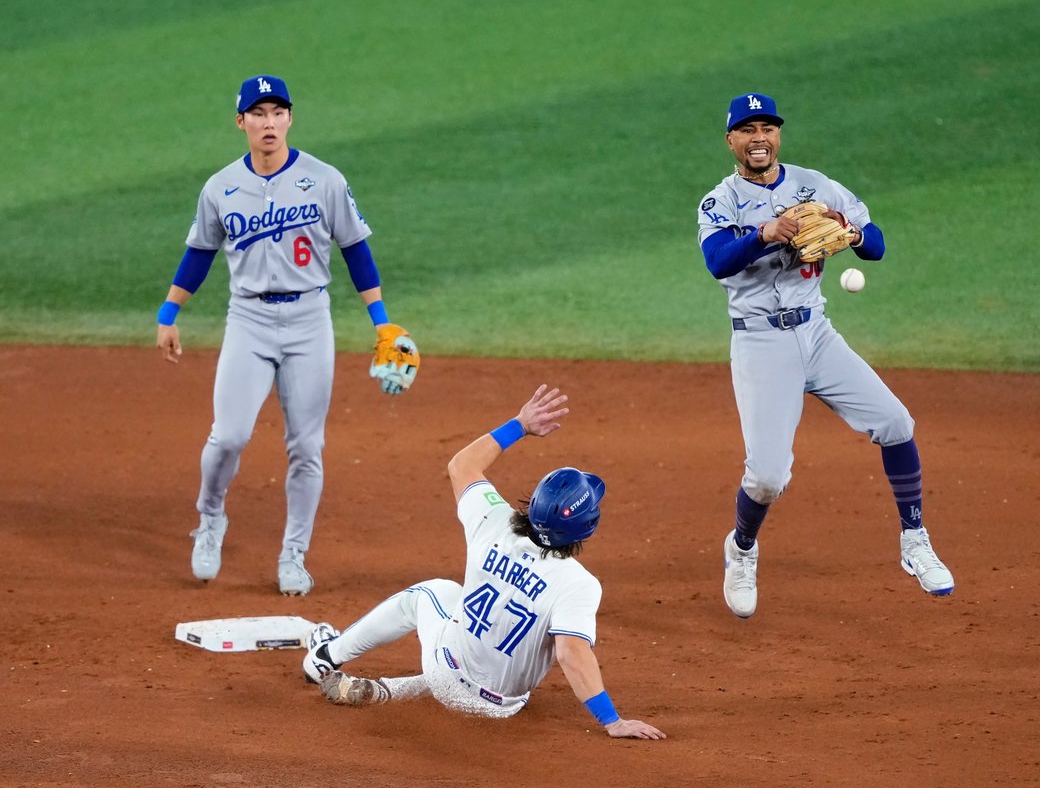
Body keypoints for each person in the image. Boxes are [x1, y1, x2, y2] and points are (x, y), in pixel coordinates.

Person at [696, 92, 955, 618]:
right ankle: (742, 549)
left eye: (767, 128)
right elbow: (718, 261)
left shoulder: (815, 184)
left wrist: (850, 231)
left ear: (778, 135)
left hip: (817, 334)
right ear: (731, 141)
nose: (759, 138)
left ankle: (914, 540)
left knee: (895, 423)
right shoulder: (719, 201)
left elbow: (875, 245)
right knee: (767, 478)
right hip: (761, 343)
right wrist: (766, 233)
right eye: (748, 130)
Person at [155, 74, 414, 595]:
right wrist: (169, 310)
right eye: (258, 113)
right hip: (248, 321)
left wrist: (382, 320)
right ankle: (210, 519)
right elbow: (200, 252)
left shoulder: (325, 180)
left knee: (307, 446)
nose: (268, 122)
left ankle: (294, 554)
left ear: (290, 118)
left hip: (309, 322)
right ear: (241, 122)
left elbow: (356, 250)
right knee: (229, 435)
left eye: (277, 112)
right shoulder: (220, 187)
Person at [301, 385, 665, 740]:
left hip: (446, 674)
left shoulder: (494, 521)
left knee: (433, 593)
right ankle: (389, 690)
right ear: (586, 527)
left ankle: (326, 655)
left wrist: (521, 424)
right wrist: (611, 721)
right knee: (503, 644)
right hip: (503, 706)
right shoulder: (578, 584)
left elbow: (461, 465)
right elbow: (571, 653)